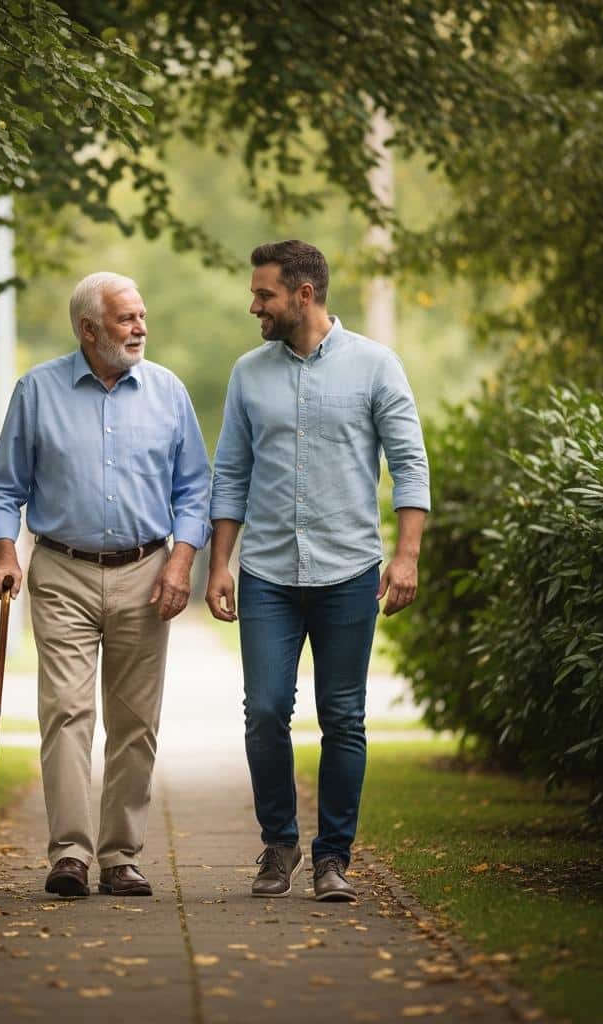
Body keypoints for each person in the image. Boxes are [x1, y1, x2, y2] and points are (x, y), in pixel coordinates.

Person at [206, 240, 430, 902]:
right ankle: (279, 846)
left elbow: (410, 464)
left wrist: (408, 553)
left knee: (344, 715)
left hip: (348, 572)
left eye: (264, 294)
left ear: (304, 295)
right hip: (269, 574)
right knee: (266, 711)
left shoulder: (375, 366)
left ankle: (334, 857)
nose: (255, 306)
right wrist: (220, 565)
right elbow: (231, 474)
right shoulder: (248, 373)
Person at [0, 272, 212, 898]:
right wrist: (5, 552)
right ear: (88, 330)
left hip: (147, 572)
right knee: (67, 713)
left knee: (135, 722)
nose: (140, 328)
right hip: (62, 571)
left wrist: (181, 562)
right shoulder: (37, 391)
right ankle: (69, 856)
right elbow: (4, 487)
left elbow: (195, 489)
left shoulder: (168, 393)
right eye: (125, 319)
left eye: (141, 316)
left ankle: (120, 857)